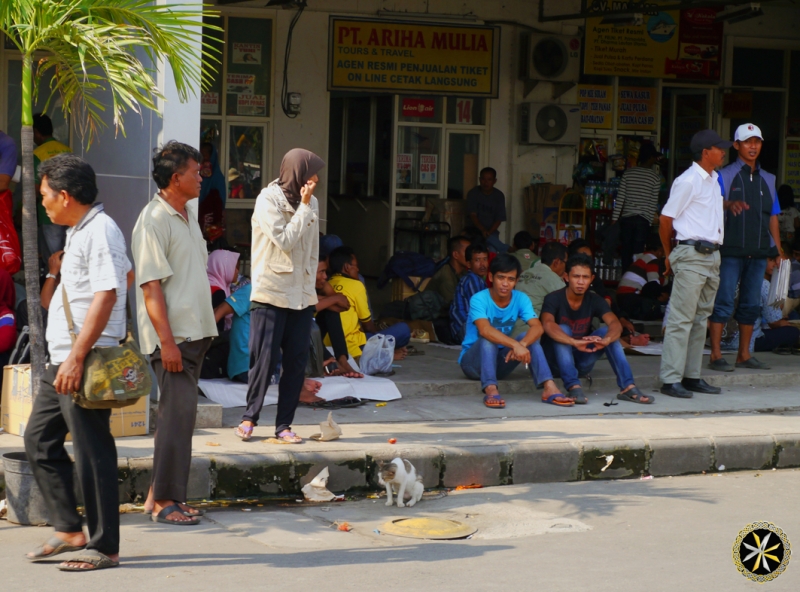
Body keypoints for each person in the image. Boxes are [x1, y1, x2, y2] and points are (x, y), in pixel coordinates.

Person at [24, 154, 130, 571]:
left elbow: (107, 293)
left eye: (46, 196)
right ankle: (69, 528)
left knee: (92, 451)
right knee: (39, 439)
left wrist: (78, 356)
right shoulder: (81, 231)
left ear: (65, 196)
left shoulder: (100, 231)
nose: (43, 203)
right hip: (64, 360)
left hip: (82, 361)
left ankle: (104, 546)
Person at [133, 141, 218, 525]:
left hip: (194, 334)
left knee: (179, 418)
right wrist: (166, 341)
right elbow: (151, 287)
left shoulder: (185, 216)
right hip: (175, 339)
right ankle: (167, 500)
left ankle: (157, 496)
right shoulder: (153, 220)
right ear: (174, 178)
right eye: (194, 171)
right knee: (176, 419)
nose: (201, 177)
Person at [236, 148, 323, 444]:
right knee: (264, 358)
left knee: (296, 363)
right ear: (297, 173)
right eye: (311, 172)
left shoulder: (313, 203)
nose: (315, 179)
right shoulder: (267, 200)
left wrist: (310, 284)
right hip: (271, 291)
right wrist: (305, 206)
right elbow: (284, 240)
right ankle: (249, 417)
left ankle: (284, 425)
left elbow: (312, 251)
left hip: (301, 295)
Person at [658, 129, 729, 398]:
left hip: (711, 255)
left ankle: (691, 375)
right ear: (705, 152)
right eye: (718, 148)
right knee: (681, 319)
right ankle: (670, 379)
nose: (723, 152)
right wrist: (669, 254)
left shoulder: (714, 179)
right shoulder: (688, 181)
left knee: (700, 319)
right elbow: (666, 219)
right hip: (691, 253)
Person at [708, 124, 783, 372]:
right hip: (730, 250)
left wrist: (778, 249)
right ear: (736, 145)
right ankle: (716, 354)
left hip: (760, 250)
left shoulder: (769, 179)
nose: (753, 146)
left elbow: (773, 216)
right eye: (747, 142)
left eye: (757, 142)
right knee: (724, 301)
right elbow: (712, 208)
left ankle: (744, 354)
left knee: (751, 304)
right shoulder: (724, 175)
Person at [458, 253, 569, 409]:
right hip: (473, 364)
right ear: (490, 277)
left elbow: (537, 327)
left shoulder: (521, 298)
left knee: (528, 336)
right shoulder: (479, 299)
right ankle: (490, 388)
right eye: (501, 278)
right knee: (488, 339)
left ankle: (549, 387)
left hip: (501, 363)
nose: (505, 284)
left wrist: (522, 344)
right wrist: (515, 345)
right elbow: (484, 330)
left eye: (511, 279)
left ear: (517, 281)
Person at [540, 253, 653, 404]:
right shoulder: (553, 298)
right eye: (576, 276)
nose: (580, 282)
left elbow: (615, 324)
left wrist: (606, 340)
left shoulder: (595, 300)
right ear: (566, 277)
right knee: (563, 329)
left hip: (581, 361)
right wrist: (573, 341)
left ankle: (628, 387)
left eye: (585, 277)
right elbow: (547, 324)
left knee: (609, 332)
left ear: (592, 279)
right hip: (554, 363)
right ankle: (573, 386)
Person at [328, 245, 411, 359]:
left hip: (327, 346)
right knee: (403, 329)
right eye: (356, 266)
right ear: (347, 267)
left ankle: (383, 349)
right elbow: (368, 326)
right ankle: (382, 353)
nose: (358, 270)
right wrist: (379, 335)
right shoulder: (356, 285)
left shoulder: (326, 284)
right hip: (351, 346)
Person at [612, 142, 662, 266]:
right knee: (638, 255)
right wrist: (649, 223)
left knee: (625, 253)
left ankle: (625, 279)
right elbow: (652, 203)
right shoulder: (655, 178)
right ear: (650, 158)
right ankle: (635, 281)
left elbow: (621, 198)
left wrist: (614, 219)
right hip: (643, 221)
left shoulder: (628, 174)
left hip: (627, 220)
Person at [314, 257, 362, 377]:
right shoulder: (297, 286)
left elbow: (343, 305)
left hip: (314, 332)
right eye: (321, 272)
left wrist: (323, 301)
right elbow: (306, 307)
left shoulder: (323, 285)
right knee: (305, 323)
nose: (325, 276)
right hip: (300, 333)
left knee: (330, 312)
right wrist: (333, 299)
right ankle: (331, 360)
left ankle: (342, 360)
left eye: (326, 272)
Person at [33, 113, 72, 261]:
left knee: (53, 258)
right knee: (66, 255)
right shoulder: (67, 150)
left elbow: (35, 188)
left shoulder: (37, 153)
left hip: (49, 215)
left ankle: (54, 283)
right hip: (68, 211)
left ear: (36, 132)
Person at [753, 249, 800, 353]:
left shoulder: (749, 278)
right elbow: (774, 323)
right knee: (793, 332)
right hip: (751, 340)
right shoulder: (764, 284)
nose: (776, 264)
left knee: (793, 316)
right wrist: (782, 323)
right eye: (772, 260)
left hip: (729, 338)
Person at [616, 233, 667, 320]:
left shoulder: (642, 257)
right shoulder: (652, 259)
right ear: (660, 250)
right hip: (631, 297)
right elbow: (653, 284)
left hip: (621, 298)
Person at [450, 242, 489, 344]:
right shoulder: (473, 280)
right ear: (468, 264)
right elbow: (479, 311)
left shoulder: (479, 280)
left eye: (485, 259)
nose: (482, 264)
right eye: (477, 260)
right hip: (466, 327)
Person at [516, 241, 567, 316]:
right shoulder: (554, 279)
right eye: (565, 262)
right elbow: (567, 304)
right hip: (532, 324)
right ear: (557, 262)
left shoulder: (524, 273)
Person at [466, 167, 508, 253]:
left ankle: (504, 248)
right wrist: (483, 230)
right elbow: (473, 215)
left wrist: (488, 232)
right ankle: (506, 248)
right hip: (474, 230)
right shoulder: (473, 193)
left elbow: (498, 219)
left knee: (492, 250)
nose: (486, 182)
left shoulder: (499, 196)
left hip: (491, 231)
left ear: (494, 181)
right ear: (479, 179)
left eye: (489, 179)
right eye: (483, 179)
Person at [426, 235, 470, 306]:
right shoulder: (446, 273)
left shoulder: (463, 273)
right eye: (467, 252)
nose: (470, 256)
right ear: (455, 254)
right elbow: (454, 305)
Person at [198, 142, 227, 244]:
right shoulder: (197, 176)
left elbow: (219, 202)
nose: (203, 157)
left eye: (206, 154)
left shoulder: (217, 178)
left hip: (212, 224)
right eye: (201, 154)